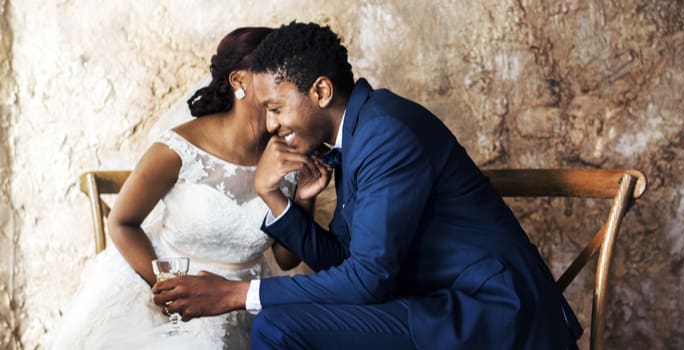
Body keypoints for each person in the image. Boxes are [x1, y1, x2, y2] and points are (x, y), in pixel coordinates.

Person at [154, 21, 583, 349]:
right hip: (434, 304)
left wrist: (234, 294)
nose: (271, 124)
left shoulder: (385, 132)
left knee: (278, 327)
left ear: (320, 91)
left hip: (490, 313)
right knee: (283, 322)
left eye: (276, 107)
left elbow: (368, 280)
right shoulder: (357, 133)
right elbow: (346, 262)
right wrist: (274, 197)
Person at [49, 27, 304, 350]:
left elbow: (286, 259)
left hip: (243, 296)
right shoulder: (177, 150)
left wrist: (305, 198)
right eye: (279, 75)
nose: (289, 88)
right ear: (239, 81)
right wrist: (167, 287)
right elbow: (121, 222)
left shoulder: (287, 151)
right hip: (163, 286)